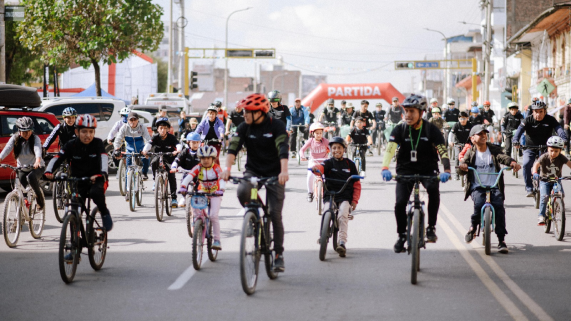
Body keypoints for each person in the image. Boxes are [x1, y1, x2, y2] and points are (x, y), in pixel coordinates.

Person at [221, 93, 289, 272]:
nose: (244, 115)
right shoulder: (244, 127)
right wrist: (227, 169)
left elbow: (283, 148)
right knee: (243, 190)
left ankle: (278, 255)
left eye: (248, 111)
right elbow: (233, 147)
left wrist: (283, 171)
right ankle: (253, 217)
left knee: (274, 213)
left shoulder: (276, 125)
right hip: (253, 171)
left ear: (259, 112)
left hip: (275, 174)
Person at [381, 94, 451, 253]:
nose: (408, 115)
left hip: (428, 168)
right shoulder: (400, 129)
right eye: (406, 111)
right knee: (399, 203)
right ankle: (402, 235)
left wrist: (447, 170)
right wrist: (385, 168)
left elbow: (442, 151)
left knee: (434, 191)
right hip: (405, 169)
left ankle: (431, 227)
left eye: (412, 111)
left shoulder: (432, 129)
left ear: (422, 112)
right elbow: (390, 149)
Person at [44, 114, 113, 231]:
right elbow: (58, 157)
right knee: (76, 206)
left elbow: (104, 158)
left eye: (91, 132)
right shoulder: (71, 145)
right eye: (84, 131)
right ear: (76, 131)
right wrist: (49, 171)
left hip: (96, 179)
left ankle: (105, 212)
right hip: (77, 181)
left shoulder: (98, 143)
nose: (88, 135)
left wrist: (102, 173)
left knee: (96, 193)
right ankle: (76, 237)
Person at [458, 125, 520, 254]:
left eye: (484, 133)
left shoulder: (493, 149)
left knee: (499, 208)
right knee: (479, 205)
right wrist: (462, 167)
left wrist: (512, 163)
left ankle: (501, 240)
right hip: (477, 186)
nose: (483, 136)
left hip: (494, 185)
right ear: (472, 138)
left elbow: (504, 157)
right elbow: (462, 166)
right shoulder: (471, 152)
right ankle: (473, 227)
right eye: (479, 134)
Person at [311, 137, 361, 257]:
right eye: (333, 148)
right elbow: (320, 168)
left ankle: (342, 242)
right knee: (326, 211)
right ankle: (322, 236)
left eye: (339, 147)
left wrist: (354, 200)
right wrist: (316, 169)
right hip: (330, 194)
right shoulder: (328, 162)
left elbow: (357, 184)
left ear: (344, 149)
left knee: (343, 214)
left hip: (345, 196)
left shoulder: (350, 164)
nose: (336, 150)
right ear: (330, 150)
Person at [513, 100, 567, 196]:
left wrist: (564, 138)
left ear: (545, 111)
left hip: (547, 148)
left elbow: (559, 129)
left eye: (541, 111)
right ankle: (529, 188)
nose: (538, 114)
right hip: (530, 147)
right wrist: (515, 140)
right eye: (536, 112)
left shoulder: (550, 119)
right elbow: (519, 130)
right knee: (526, 164)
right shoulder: (527, 120)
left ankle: (556, 187)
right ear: (532, 112)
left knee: (552, 166)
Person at [179, 145, 225, 250]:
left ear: (213, 158)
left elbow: (222, 179)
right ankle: (197, 223)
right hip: (202, 192)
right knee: (195, 207)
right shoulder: (198, 167)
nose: (205, 160)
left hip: (215, 193)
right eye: (203, 158)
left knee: (213, 216)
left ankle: (217, 240)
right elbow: (190, 176)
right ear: (200, 159)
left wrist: (221, 189)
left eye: (208, 158)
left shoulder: (216, 168)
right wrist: (183, 186)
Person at [0, 117, 46, 212]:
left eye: (29, 131)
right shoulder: (15, 138)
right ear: (19, 131)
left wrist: (37, 161)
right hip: (22, 167)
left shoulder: (35, 138)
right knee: (23, 186)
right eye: (24, 132)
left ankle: (39, 197)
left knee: (31, 178)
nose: (27, 134)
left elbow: (38, 149)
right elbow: (7, 149)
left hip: (36, 167)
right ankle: (25, 207)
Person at [532, 136, 571, 225]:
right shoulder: (544, 157)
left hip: (556, 180)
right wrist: (534, 173)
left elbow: (569, 163)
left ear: (560, 151)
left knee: (561, 194)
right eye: (551, 150)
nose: (553, 153)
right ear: (548, 149)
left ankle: (557, 207)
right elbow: (536, 164)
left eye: (556, 151)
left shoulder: (561, 157)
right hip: (544, 180)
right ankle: (541, 215)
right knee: (544, 197)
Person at [142, 117, 180, 207]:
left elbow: (178, 144)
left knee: (171, 175)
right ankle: (156, 180)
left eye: (164, 128)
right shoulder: (155, 137)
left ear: (167, 129)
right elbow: (149, 144)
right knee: (154, 162)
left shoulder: (171, 137)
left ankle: (174, 198)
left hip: (169, 158)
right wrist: (145, 151)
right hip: (157, 156)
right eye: (160, 128)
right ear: (158, 129)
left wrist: (177, 150)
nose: (162, 130)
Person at [113, 112, 151, 182]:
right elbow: (118, 139)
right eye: (131, 120)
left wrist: (146, 150)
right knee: (128, 170)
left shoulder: (142, 127)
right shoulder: (124, 128)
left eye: (134, 119)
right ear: (128, 120)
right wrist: (117, 149)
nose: (133, 122)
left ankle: (144, 173)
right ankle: (128, 190)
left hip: (141, 150)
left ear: (138, 120)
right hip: (129, 151)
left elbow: (148, 140)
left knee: (147, 158)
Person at [300, 123, 329, 202]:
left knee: (327, 177)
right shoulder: (310, 141)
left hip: (324, 161)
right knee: (310, 176)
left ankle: (327, 193)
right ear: (312, 133)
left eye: (320, 133)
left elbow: (332, 147)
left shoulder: (325, 141)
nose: (319, 135)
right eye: (317, 133)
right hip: (313, 161)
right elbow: (302, 150)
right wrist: (302, 156)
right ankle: (310, 193)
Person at [171, 132, 201, 206]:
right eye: (193, 143)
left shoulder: (201, 152)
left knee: (200, 185)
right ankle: (183, 197)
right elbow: (177, 159)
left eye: (197, 142)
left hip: (198, 173)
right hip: (187, 172)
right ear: (188, 143)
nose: (196, 145)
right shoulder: (185, 151)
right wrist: (174, 167)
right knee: (184, 181)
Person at [451, 111, 473, 179]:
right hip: (458, 143)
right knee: (457, 157)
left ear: (467, 118)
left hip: (467, 144)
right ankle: (456, 173)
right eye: (461, 118)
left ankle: (469, 173)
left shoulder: (470, 125)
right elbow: (451, 134)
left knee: (470, 157)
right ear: (458, 119)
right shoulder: (456, 125)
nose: (462, 120)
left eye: (464, 118)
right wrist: (451, 141)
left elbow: (473, 135)